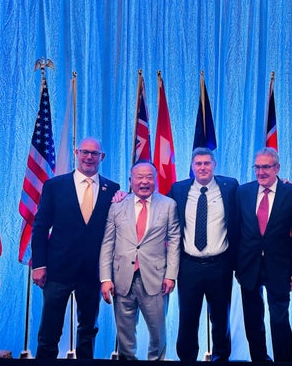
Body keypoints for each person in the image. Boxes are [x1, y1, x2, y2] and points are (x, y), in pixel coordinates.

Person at [31, 137, 120, 359]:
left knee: (88, 331)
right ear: (76, 153)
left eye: (94, 153)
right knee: (49, 332)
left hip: (92, 272)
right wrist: (39, 265)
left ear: (102, 157)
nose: (89, 157)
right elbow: (40, 227)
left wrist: (125, 199)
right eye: (84, 152)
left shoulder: (113, 189)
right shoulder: (54, 186)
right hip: (57, 270)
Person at [99, 160, 180, 360]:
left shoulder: (168, 205)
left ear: (155, 180)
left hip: (156, 279)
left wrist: (171, 275)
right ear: (130, 180)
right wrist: (105, 278)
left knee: (158, 334)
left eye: (149, 177)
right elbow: (107, 243)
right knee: (125, 335)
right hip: (121, 279)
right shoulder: (117, 206)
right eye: (139, 177)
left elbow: (174, 241)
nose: (144, 181)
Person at [167, 147, 238, 362]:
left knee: (221, 319)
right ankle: (187, 359)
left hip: (220, 265)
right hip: (189, 266)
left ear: (214, 165)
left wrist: (282, 184)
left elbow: (253, 195)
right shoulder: (178, 189)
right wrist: (123, 196)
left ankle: (221, 359)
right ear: (192, 166)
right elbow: (157, 206)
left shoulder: (230, 187)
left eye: (207, 163)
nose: (203, 167)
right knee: (187, 319)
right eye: (198, 164)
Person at [235, 147, 292, 362]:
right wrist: (237, 266)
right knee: (253, 319)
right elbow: (236, 230)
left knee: (280, 319)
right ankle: (259, 359)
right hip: (249, 266)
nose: (261, 172)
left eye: (266, 167)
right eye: (257, 167)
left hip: (279, 267)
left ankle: (283, 361)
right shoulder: (243, 192)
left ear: (277, 168)